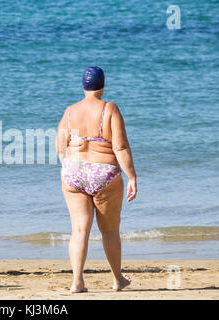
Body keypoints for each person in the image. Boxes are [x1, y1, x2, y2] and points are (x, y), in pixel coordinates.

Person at [56, 66, 137, 292]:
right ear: (103, 85)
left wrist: (69, 164)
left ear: (83, 86)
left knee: (79, 230)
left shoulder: (70, 111)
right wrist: (132, 176)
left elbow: (60, 147)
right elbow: (120, 146)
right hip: (104, 173)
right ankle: (117, 279)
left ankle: (77, 282)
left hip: (73, 171)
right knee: (109, 230)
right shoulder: (109, 108)